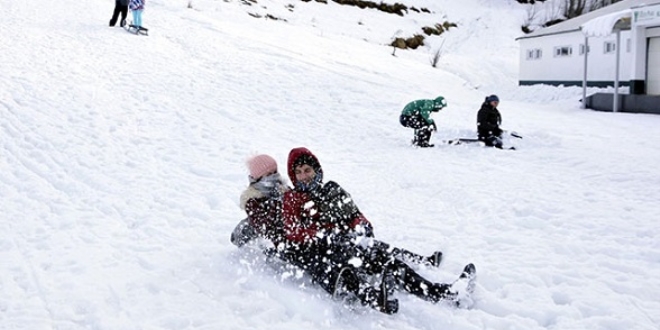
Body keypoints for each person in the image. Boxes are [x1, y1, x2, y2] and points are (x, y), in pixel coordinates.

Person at [280, 147, 476, 313]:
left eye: (307, 170)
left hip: (350, 242)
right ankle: (372, 296)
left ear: (317, 170)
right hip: (327, 250)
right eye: (299, 172)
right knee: (355, 263)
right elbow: (293, 231)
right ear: (293, 176)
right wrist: (323, 234)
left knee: (390, 261)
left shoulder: (331, 189)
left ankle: (444, 293)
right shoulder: (292, 199)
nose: (304, 176)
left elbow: (354, 213)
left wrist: (362, 226)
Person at [231, 154, 289, 248]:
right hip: (257, 225)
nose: (274, 176)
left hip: (276, 224)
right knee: (246, 231)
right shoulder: (252, 198)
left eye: (275, 172)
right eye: (269, 174)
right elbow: (263, 224)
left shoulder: (282, 188)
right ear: (258, 178)